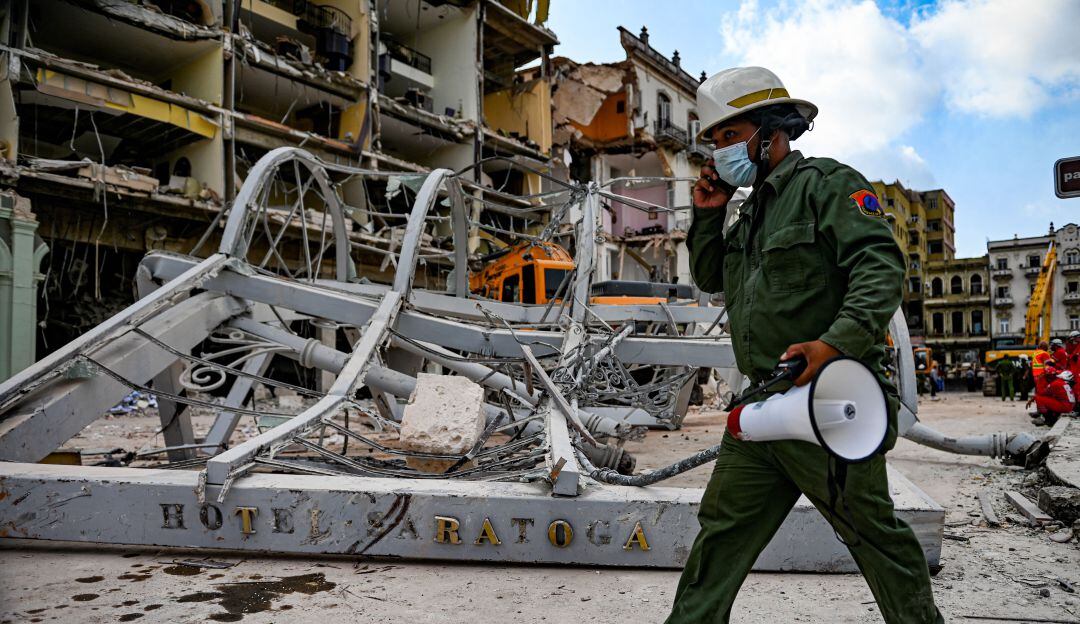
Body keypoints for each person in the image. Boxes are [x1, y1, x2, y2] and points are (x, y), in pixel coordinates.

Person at [667, 66, 942, 624]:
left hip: (830, 403)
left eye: (727, 137)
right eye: (715, 141)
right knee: (721, 536)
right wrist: (707, 216)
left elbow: (880, 268)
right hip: (766, 408)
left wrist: (833, 345)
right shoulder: (748, 213)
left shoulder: (827, 185)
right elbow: (712, 277)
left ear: (769, 130)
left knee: (874, 537)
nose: (720, 152)